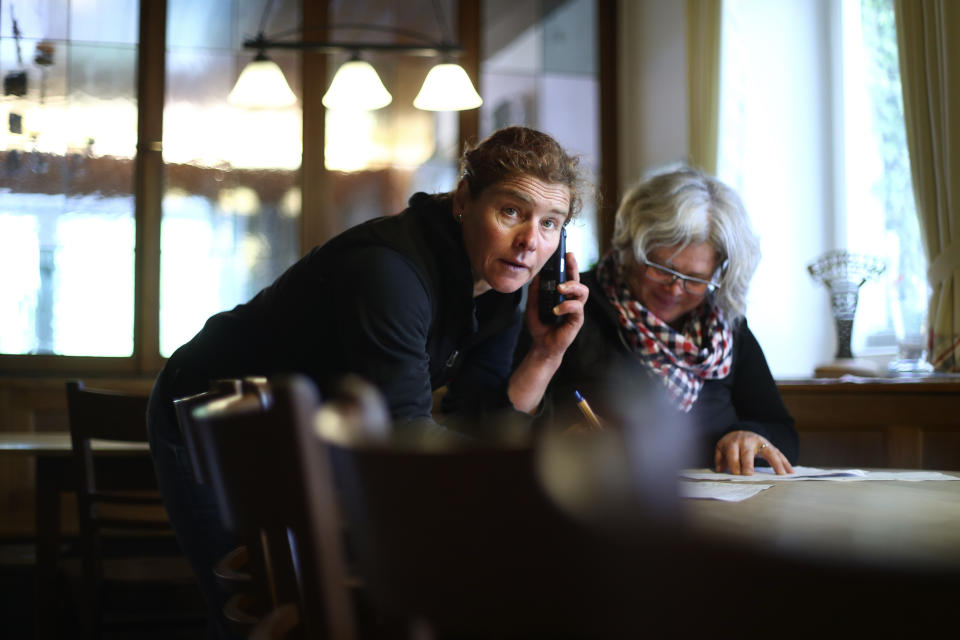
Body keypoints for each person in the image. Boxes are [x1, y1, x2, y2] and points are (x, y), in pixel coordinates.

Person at [146, 126, 590, 638]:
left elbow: (481, 421)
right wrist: (534, 480)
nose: (531, 242)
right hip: (207, 412)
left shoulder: (501, 282)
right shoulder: (390, 272)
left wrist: (545, 352)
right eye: (511, 212)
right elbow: (406, 435)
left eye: (551, 224)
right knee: (255, 613)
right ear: (465, 199)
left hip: (307, 439)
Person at [542, 167, 797, 475]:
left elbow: (782, 431)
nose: (676, 289)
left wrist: (753, 436)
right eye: (662, 269)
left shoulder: (726, 326)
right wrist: (564, 436)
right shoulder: (575, 305)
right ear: (633, 249)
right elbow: (522, 414)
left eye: (695, 279)